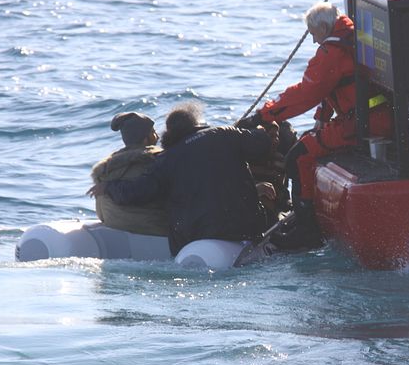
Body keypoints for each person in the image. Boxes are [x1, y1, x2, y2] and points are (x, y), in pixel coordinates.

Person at [240, 1, 393, 249]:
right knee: (307, 145)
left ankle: (307, 230)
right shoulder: (353, 37)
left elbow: (305, 93)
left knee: (298, 157)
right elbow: (333, 88)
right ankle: (304, 220)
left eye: (313, 34)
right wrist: (321, 120)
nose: (313, 41)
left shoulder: (330, 53)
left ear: (323, 27)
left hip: (362, 123)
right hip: (374, 117)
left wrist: (263, 116)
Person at [87, 102, 278, 256]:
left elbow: (136, 192)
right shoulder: (224, 134)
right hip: (242, 229)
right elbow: (262, 144)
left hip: (192, 239)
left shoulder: (165, 160)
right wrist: (260, 127)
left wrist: (109, 187)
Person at [91, 112, 169, 236]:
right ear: (145, 138)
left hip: (114, 225)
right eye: (153, 132)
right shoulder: (157, 160)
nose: (157, 136)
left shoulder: (107, 168)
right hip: (152, 229)